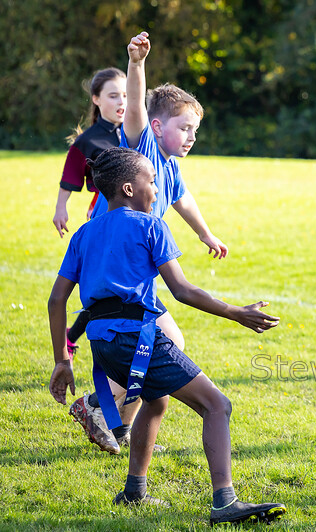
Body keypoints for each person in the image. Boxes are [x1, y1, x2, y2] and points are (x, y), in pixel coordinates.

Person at [48, 147, 286, 524]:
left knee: (156, 401)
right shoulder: (150, 226)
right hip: (138, 341)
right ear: (129, 188)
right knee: (216, 406)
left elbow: (56, 299)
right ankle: (225, 502)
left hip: (103, 346)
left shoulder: (84, 233)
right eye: (152, 182)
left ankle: (133, 493)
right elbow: (184, 291)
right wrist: (235, 312)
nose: (157, 190)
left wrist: (63, 360)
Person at [69, 31, 229, 455]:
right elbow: (137, 109)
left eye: (195, 129)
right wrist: (137, 64)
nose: (192, 136)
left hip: (134, 263)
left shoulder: (170, 168)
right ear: (159, 128)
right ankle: (98, 406)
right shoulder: (144, 150)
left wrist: (205, 233)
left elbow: (182, 199)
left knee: (163, 341)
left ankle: (121, 427)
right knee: (165, 341)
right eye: (185, 128)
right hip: (117, 260)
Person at [55, 67, 126, 358]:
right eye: (113, 95)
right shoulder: (88, 141)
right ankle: (75, 338)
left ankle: (74, 336)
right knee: (104, 285)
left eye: (125, 94)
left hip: (133, 220)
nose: (121, 101)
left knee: (116, 285)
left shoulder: (136, 134)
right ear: (96, 99)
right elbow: (71, 175)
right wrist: (61, 208)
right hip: (101, 219)